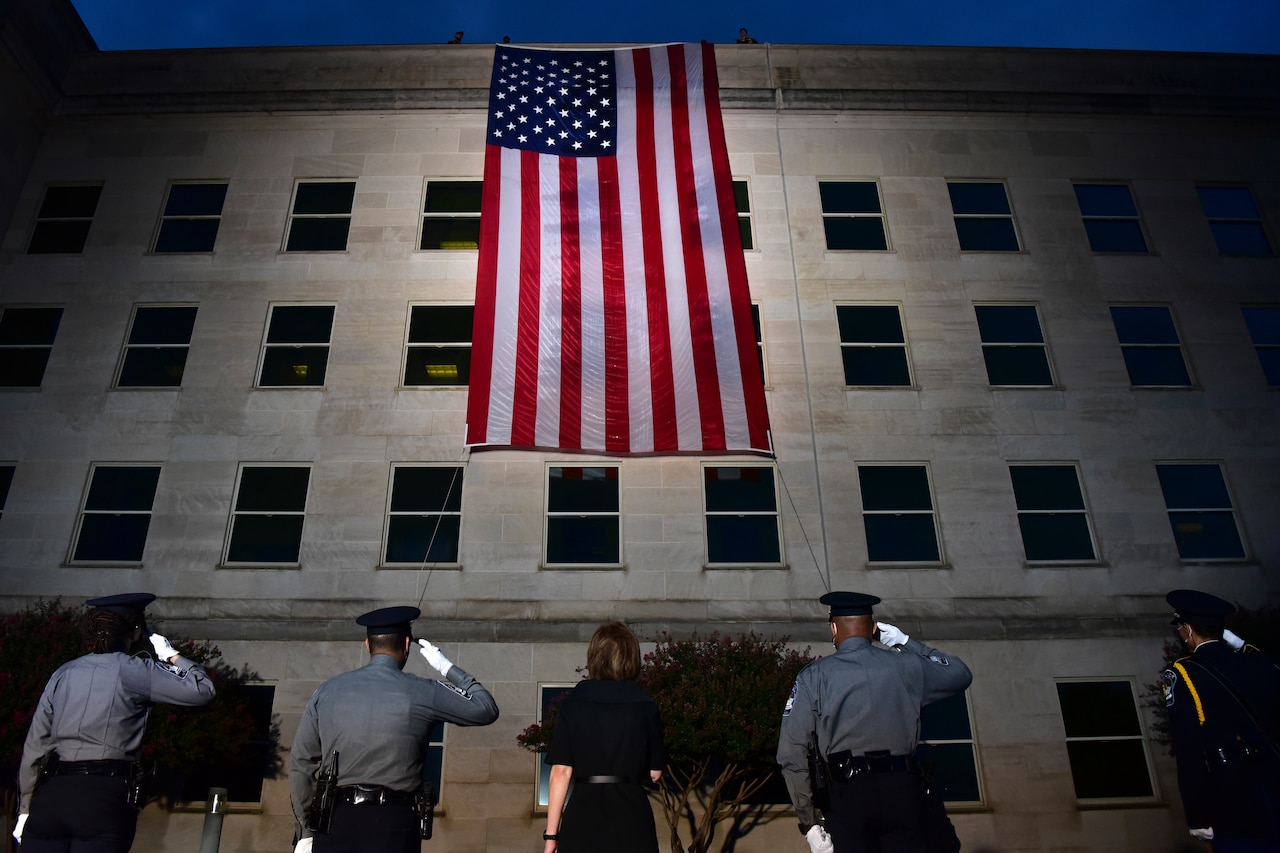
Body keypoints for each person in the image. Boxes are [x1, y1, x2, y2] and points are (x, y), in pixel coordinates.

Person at [13, 592, 216, 852]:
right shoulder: (134, 669)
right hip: (103, 795)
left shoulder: (63, 672)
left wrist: (25, 809)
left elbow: (35, 747)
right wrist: (170, 654)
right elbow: (203, 691)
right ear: (135, 631)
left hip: (52, 794)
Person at [289, 605, 499, 853]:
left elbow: (301, 763)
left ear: (368, 645)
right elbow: (485, 708)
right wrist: (446, 667)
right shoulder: (424, 690)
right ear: (407, 644)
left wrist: (307, 828)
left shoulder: (326, 691)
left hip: (335, 820)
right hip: (394, 824)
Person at [776, 592, 973, 853]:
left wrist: (809, 823)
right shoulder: (907, 666)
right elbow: (959, 673)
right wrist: (904, 642)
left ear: (833, 628)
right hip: (903, 790)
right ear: (873, 628)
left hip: (848, 796)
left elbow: (791, 752)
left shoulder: (814, 677)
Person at [1162, 589, 1280, 851]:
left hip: (1232, 797)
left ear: (1188, 630)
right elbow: (1268, 663)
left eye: (1181, 627)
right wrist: (1235, 641)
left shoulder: (1185, 672)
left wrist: (1197, 815)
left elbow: (1189, 747)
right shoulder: (1255, 663)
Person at [542, 622, 665, 853]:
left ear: (594, 657)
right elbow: (655, 773)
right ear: (631, 658)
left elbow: (560, 772)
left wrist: (551, 837)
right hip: (633, 822)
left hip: (582, 820)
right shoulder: (645, 705)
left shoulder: (573, 704)